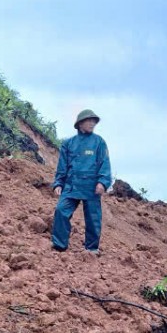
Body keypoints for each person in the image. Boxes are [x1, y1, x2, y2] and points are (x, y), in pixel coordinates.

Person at [51, 109, 112, 254]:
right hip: (71, 186)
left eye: (94, 121)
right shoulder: (68, 143)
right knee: (61, 210)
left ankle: (91, 249)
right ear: (80, 123)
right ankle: (59, 245)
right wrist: (58, 183)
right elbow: (62, 166)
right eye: (89, 121)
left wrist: (102, 182)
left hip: (91, 187)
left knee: (93, 218)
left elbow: (105, 163)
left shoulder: (99, 142)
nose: (92, 124)